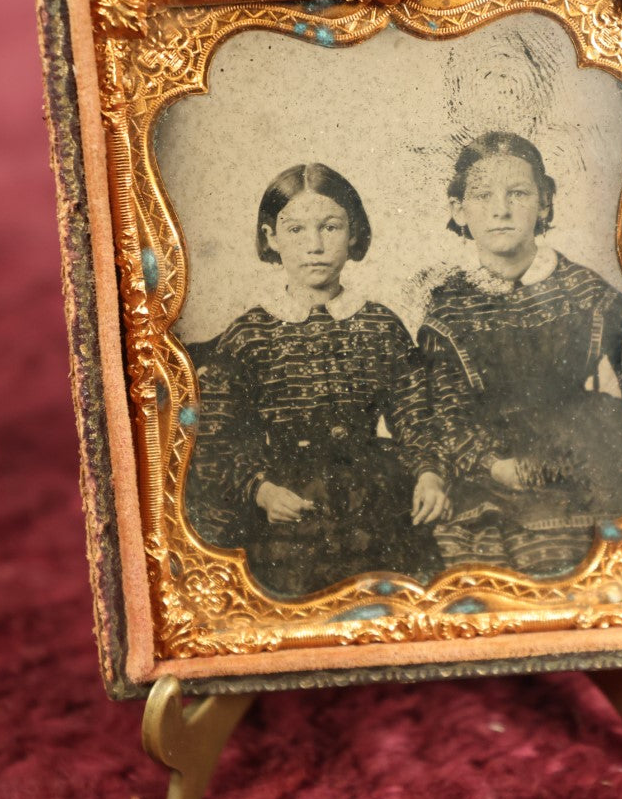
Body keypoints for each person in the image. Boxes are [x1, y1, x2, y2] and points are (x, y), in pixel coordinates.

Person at [186, 163, 449, 597]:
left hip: (372, 496)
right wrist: (262, 489)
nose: (315, 246)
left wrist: (428, 475)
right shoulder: (250, 335)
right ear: (271, 238)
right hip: (285, 504)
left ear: (354, 235)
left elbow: (415, 418)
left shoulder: (380, 326)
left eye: (330, 227)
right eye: (295, 230)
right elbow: (219, 440)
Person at [418, 132, 622, 577]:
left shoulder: (587, 293)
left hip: (575, 453)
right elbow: (447, 413)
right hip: (486, 466)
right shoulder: (448, 308)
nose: (500, 210)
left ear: (544, 203)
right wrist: (492, 465)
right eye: (482, 196)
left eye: (518, 193)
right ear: (458, 211)